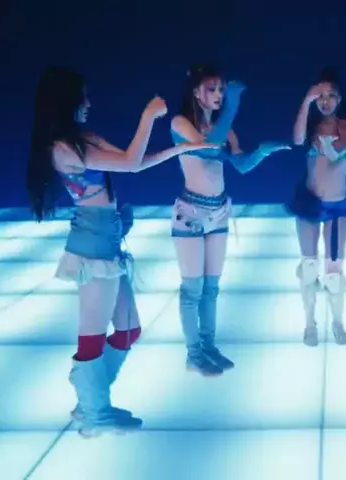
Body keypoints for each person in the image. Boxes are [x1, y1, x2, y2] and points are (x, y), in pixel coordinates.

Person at [26, 66, 217, 437]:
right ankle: (93, 411)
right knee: (93, 334)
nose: (88, 103)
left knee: (129, 330)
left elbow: (137, 162)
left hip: (109, 241)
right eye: (82, 97)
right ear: (66, 100)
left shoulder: (82, 138)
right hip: (91, 247)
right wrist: (148, 116)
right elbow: (130, 163)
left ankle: (91, 399)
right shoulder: (63, 148)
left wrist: (183, 148)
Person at [170, 63, 290, 375]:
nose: (219, 95)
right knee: (192, 289)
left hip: (220, 211)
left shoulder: (226, 129)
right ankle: (193, 353)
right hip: (190, 213)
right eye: (213, 89)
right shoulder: (181, 123)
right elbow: (209, 151)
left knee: (211, 288)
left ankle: (208, 346)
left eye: (222, 90)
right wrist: (233, 108)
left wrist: (262, 152)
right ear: (196, 92)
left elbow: (242, 166)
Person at [287, 67, 346, 347]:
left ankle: (337, 321)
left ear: (340, 98)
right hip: (309, 204)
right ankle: (310, 323)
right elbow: (297, 140)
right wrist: (306, 100)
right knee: (308, 268)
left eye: (330, 95)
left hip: (337, 207)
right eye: (320, 96)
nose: (325, 101)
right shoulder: (310, 128)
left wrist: (328, 145)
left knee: (333, 272)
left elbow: (336, 152)